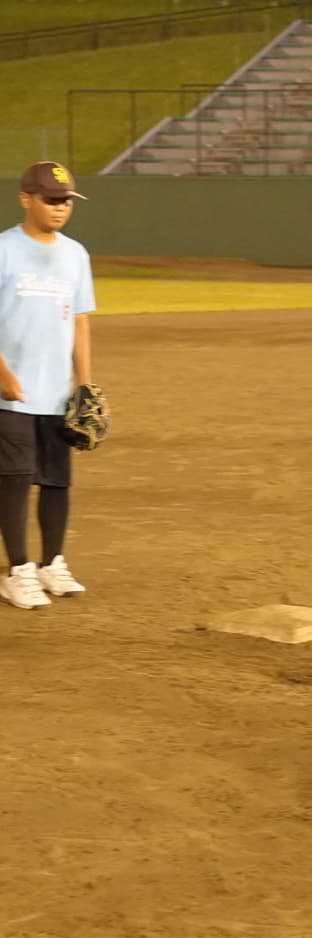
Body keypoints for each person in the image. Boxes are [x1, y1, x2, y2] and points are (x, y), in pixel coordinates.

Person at [0, 162, 96, 610]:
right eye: (51, 199)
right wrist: (2, 374)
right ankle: (18, 570)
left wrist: (85, 385)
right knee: (15, 479)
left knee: (57, 480)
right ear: (26, 199)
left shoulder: (75, 255)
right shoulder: (4, 249)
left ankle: (52, 563)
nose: (60, 208)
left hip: (57, 394)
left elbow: (80, 321)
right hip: (10, 392)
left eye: (66, 201)